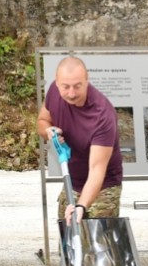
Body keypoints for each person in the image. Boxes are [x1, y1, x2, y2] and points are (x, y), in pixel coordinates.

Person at [37, 56, 123, 224]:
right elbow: (42, 121)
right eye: (66, 87)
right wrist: (48, 131)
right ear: (57, 82)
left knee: (97, 246)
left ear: (87, 80)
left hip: (103, 188)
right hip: (72, 182)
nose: (71, 93)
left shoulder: (102, 115)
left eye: (77, 86)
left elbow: (97, 168)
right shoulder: (54, 92)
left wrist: (81, 206)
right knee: (69, 242)